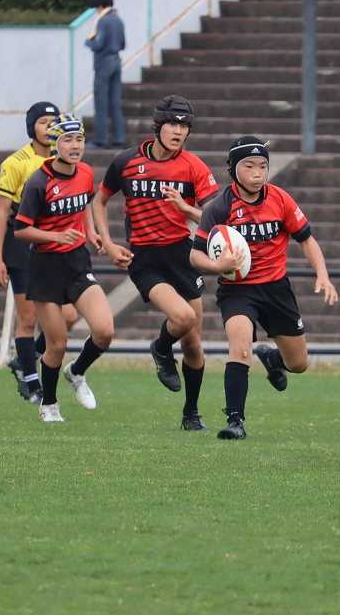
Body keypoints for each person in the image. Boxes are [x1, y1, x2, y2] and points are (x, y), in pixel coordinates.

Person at [191, 136, 338, 439]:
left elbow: (307, 239)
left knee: (298, 364)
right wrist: (218, 266)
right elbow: (195, 255)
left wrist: (322, 275)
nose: (257, 173)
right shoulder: (219, 207)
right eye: (249, 166)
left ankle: (273, 358)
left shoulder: (280, 199)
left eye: (262, 166)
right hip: (237, 290)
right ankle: (235, 421)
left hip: (275, 288)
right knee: (240, 346)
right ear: (233, 169)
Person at [92, 95, 218, 431]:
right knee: (183, 317)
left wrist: (185, 209)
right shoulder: (126, 161)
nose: (179, 131)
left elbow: (215, 218)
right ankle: (161, 348)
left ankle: (191, 413)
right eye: (173, 124)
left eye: (184, 126)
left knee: (193, 342)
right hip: (145, 259)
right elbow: (99, 201)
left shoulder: (193, 166)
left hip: (183, 255)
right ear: (158, 126)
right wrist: (108, 242)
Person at [14, 115, 112, 423]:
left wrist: (91, 232)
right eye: (67, 140)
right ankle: (49, 404)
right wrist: (55, 236)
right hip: (45, 267)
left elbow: (84, 205)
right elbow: (21, 230)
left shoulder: (85, 172)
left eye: (79, 139)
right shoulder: (38, 182)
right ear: (55, 144)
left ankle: (77, 371)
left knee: (105, 331)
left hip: (77, 261)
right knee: (56, 344)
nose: (75, 145)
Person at [0, 101, 80, 403]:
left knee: (69, 315)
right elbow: (2, 212)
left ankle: (24, 359)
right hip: (22, 243)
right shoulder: (16, 163)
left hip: (54, 245)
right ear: (32, 127)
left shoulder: (63, 161)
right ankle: (31, 381)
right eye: (43, 122)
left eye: (53, 122)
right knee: (27, 317)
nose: (49, 127)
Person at [84, 0, 126, 149]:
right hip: (116, 60)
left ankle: (100, 139)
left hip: (103, 63)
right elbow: (123, 44)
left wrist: (88, 42)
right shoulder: (118, 20)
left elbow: (98, 44)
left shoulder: (103, 21)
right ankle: (119, 138)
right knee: (115, 102)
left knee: (101, 102)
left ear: (100, 4)